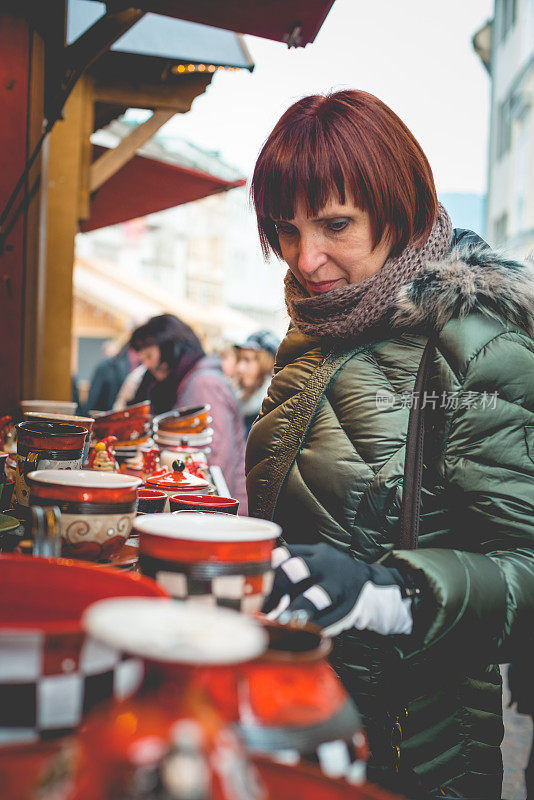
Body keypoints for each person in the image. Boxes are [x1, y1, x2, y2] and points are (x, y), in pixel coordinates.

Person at [246, 90, 534, 799]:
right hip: (301, 713)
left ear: (399, 207)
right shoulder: (316, 327)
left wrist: (390, 592)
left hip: (416, 752)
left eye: (335, 224)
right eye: (285, 229)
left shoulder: (476, 339)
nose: (306, 258)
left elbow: (525, 568)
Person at [130, 314, 247, 511]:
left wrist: (210, 511)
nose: (147, 365)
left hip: (221, 508)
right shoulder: (190, 380)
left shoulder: (204, 383)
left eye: (149, 356)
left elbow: (218, 460)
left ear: (171, 349)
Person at [235, 330, 279, 435]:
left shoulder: (272, 412)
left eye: (247, 360)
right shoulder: (241, 398)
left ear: (267, 363)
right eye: (239, 359)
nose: (239, 368)